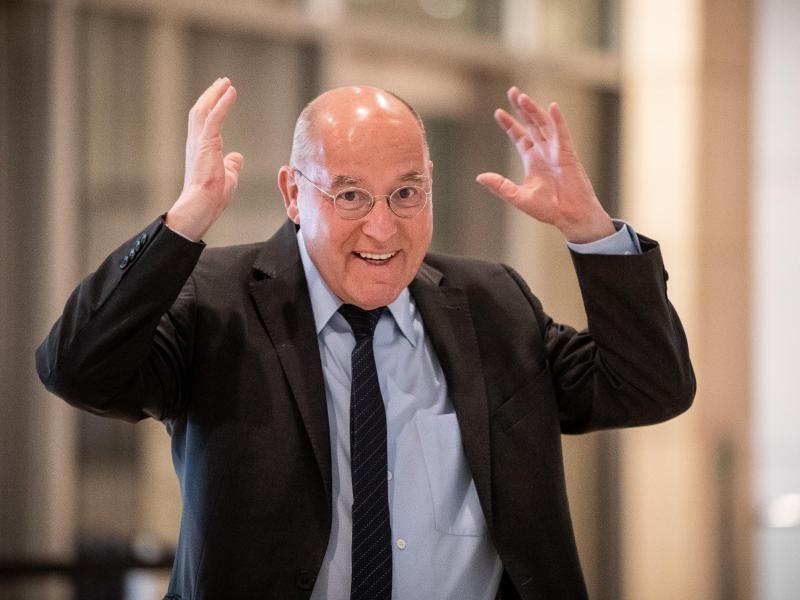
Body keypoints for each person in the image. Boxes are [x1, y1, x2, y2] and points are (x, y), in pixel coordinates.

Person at [36, 77, 695, 600]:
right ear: (294, 194)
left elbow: (648, 387)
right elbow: (78, 370)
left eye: (406, 193)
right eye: (350, 196)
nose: (383, 230)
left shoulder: (494, 304)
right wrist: (186, 221)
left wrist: (589, 229)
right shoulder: (218, 299)